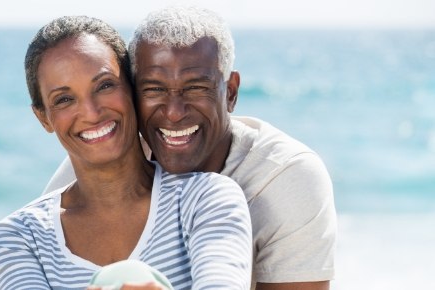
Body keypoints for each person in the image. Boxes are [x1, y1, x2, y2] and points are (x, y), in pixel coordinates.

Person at [43, 6, 337, 289]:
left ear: (231, 92)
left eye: (196, 88)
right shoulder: (100, 165)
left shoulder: (285, 178)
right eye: (154, 89)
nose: (174, 112)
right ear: (132, 93)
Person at [0, 15, 252, 290]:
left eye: (105, 85)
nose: (91, 112)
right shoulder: (19, 238)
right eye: (64, 99)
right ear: (43, 118)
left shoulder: (206, 199)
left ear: (133, 89)